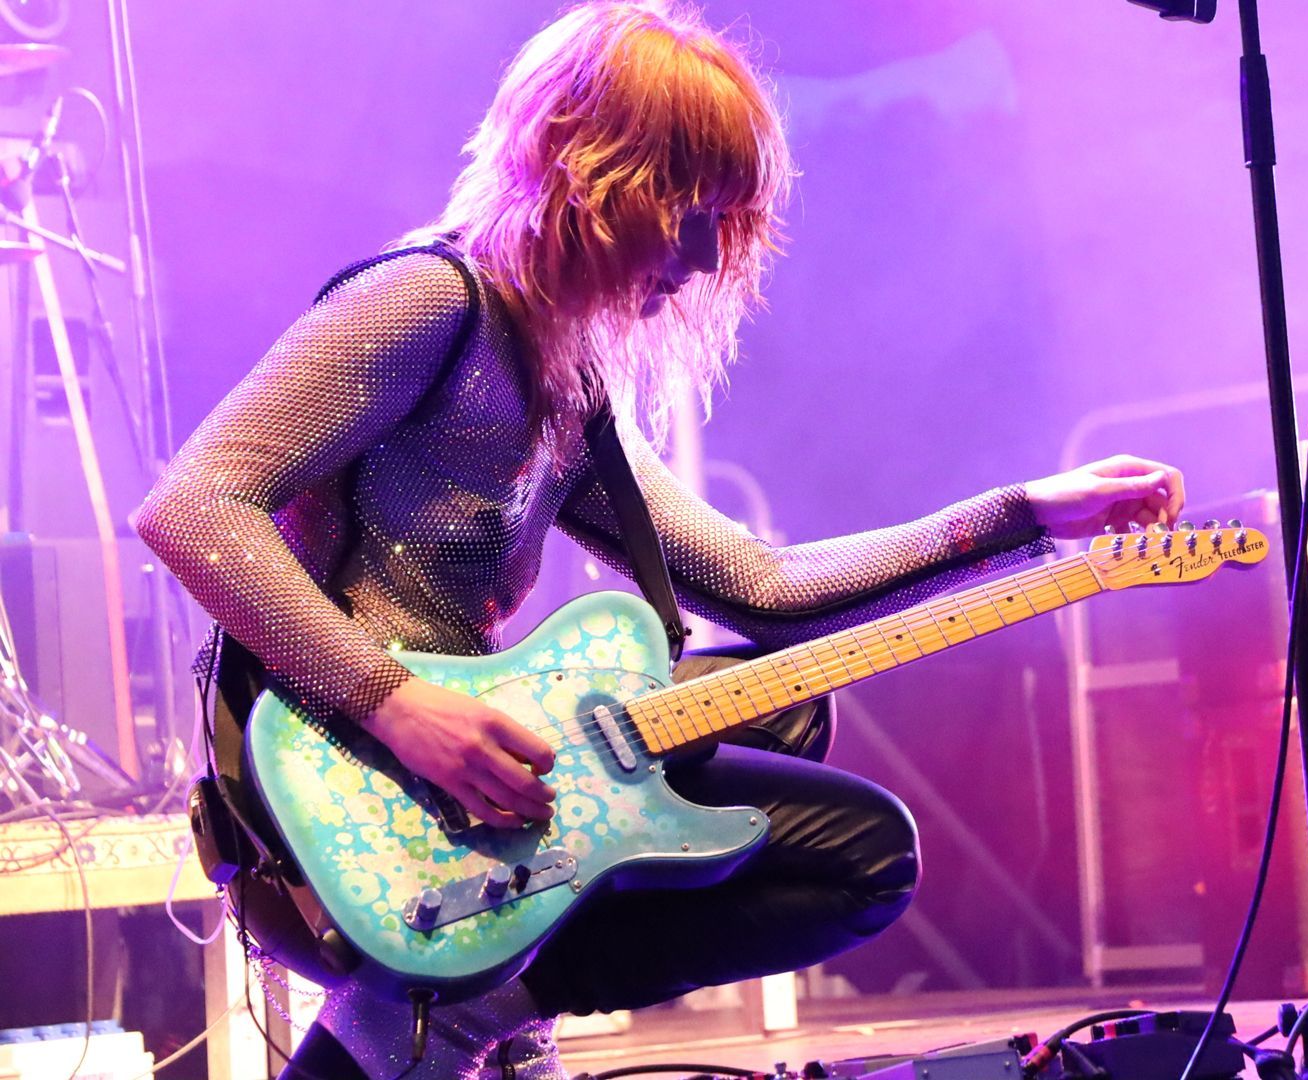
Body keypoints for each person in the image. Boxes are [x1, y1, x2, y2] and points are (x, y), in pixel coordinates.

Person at [136, 3, 1186, 1077]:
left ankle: (492, 996)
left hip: (470, 773)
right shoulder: (426, 299)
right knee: (853, 851)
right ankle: (467, 1010)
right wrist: (393, 702)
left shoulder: (564, 376)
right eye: (687, 207)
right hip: (338, 761)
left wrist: (1024, 513)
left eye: (727, 218)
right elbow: (193, 506)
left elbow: (764, 589)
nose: (703, 254)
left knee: (798, 739)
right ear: (583, 170)